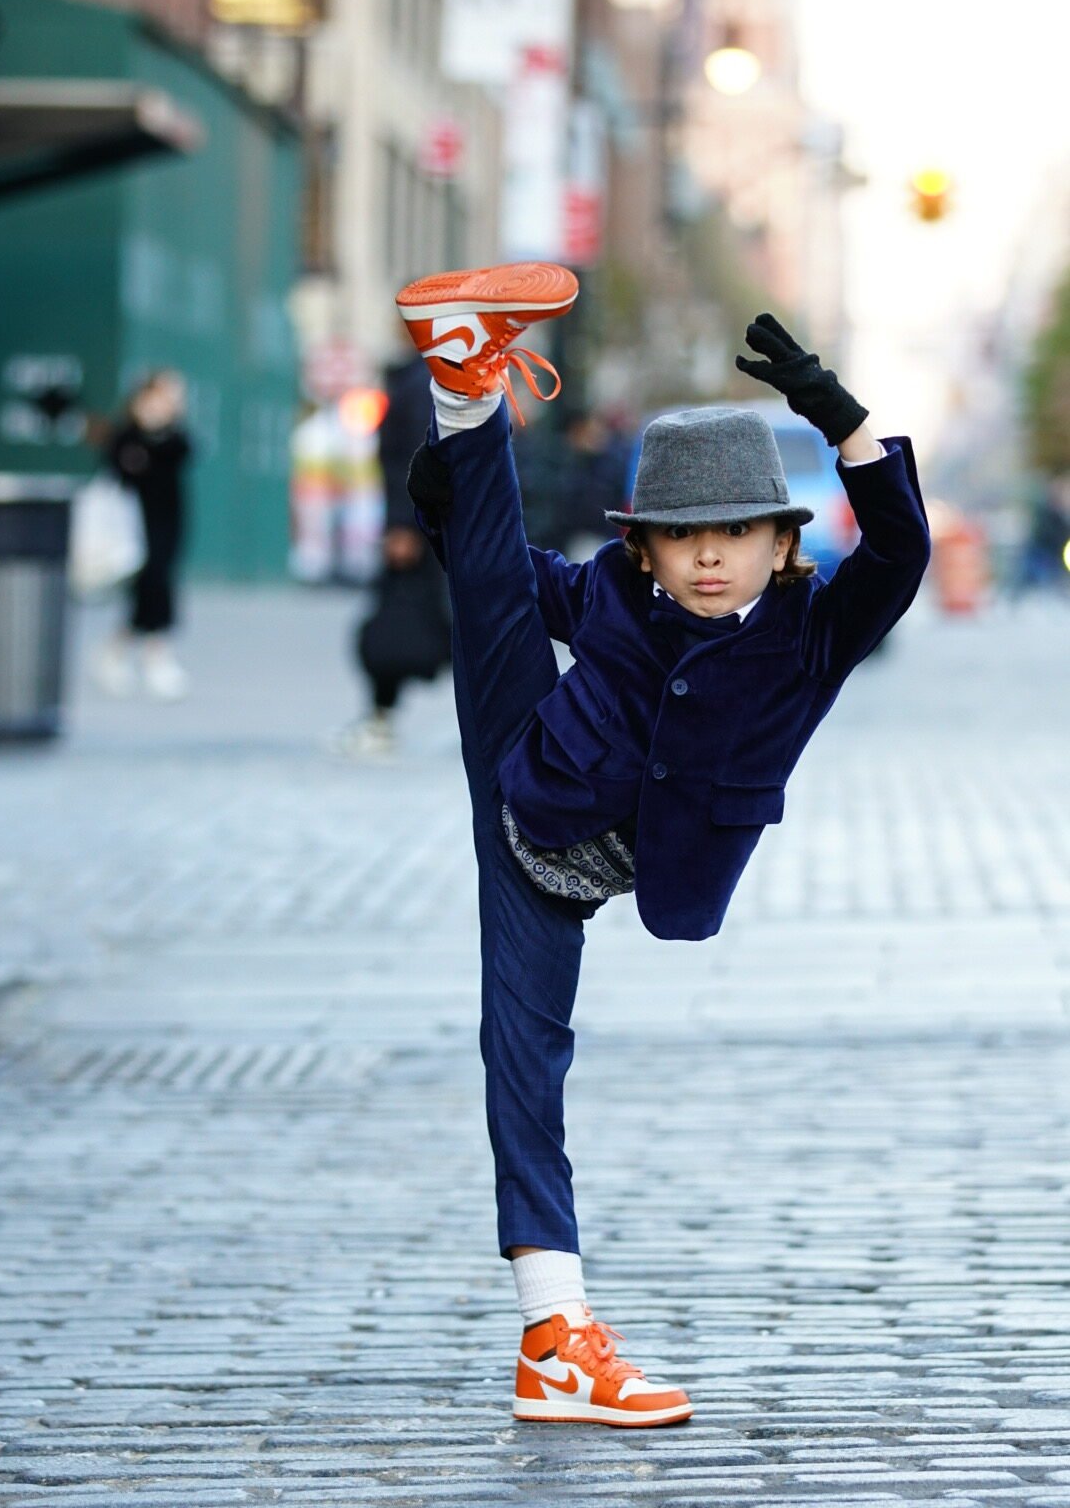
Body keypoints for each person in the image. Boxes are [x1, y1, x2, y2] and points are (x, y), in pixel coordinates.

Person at [395, 262, 930, 1427]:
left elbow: (898, 552)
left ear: (781, 543)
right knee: (522, 1054)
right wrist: (446, 501)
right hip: (524, 785)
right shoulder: (614, 595)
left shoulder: (810, 637)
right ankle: (462, 379)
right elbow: (499, 576)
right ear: (645, 546)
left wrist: (839, 415)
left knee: (529, 1062)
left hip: (613, 867)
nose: (705, 556)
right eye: (681, 536)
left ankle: (549, 1345)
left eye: (735, 532)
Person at [328, 351, 451, 759]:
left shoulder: (423, 382)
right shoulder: (428, 377)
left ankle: (380, 719)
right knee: (435, 624)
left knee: (408, 623)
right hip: (428, 525)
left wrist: (402, 522)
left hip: (420, 527)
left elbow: (412, 458)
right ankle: (380, 717)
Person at [97, 370, 193, 701]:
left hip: (167, 523)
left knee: (159, 583)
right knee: (147, 586)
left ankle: (142, 653)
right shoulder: (125, 436)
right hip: (130, 524)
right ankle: (143, 653)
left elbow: (177, 453)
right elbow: (120, 464)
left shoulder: (174, 438)